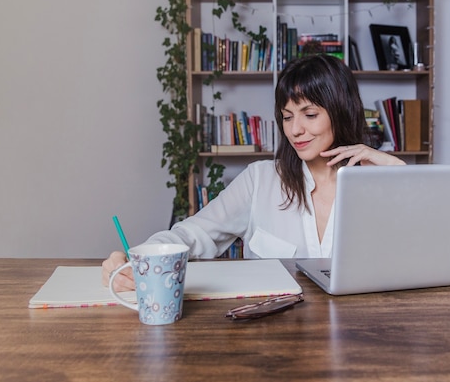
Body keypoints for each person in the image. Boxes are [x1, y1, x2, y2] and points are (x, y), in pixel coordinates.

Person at [103, 54, 405, 291]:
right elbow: (193, 235)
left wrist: (397, 173)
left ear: (341, 112)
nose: (295, 130)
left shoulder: (380, 183)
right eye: (287, 117)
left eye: (310, 115)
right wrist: (137, 260)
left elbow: (430, 254)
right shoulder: (259, 180)